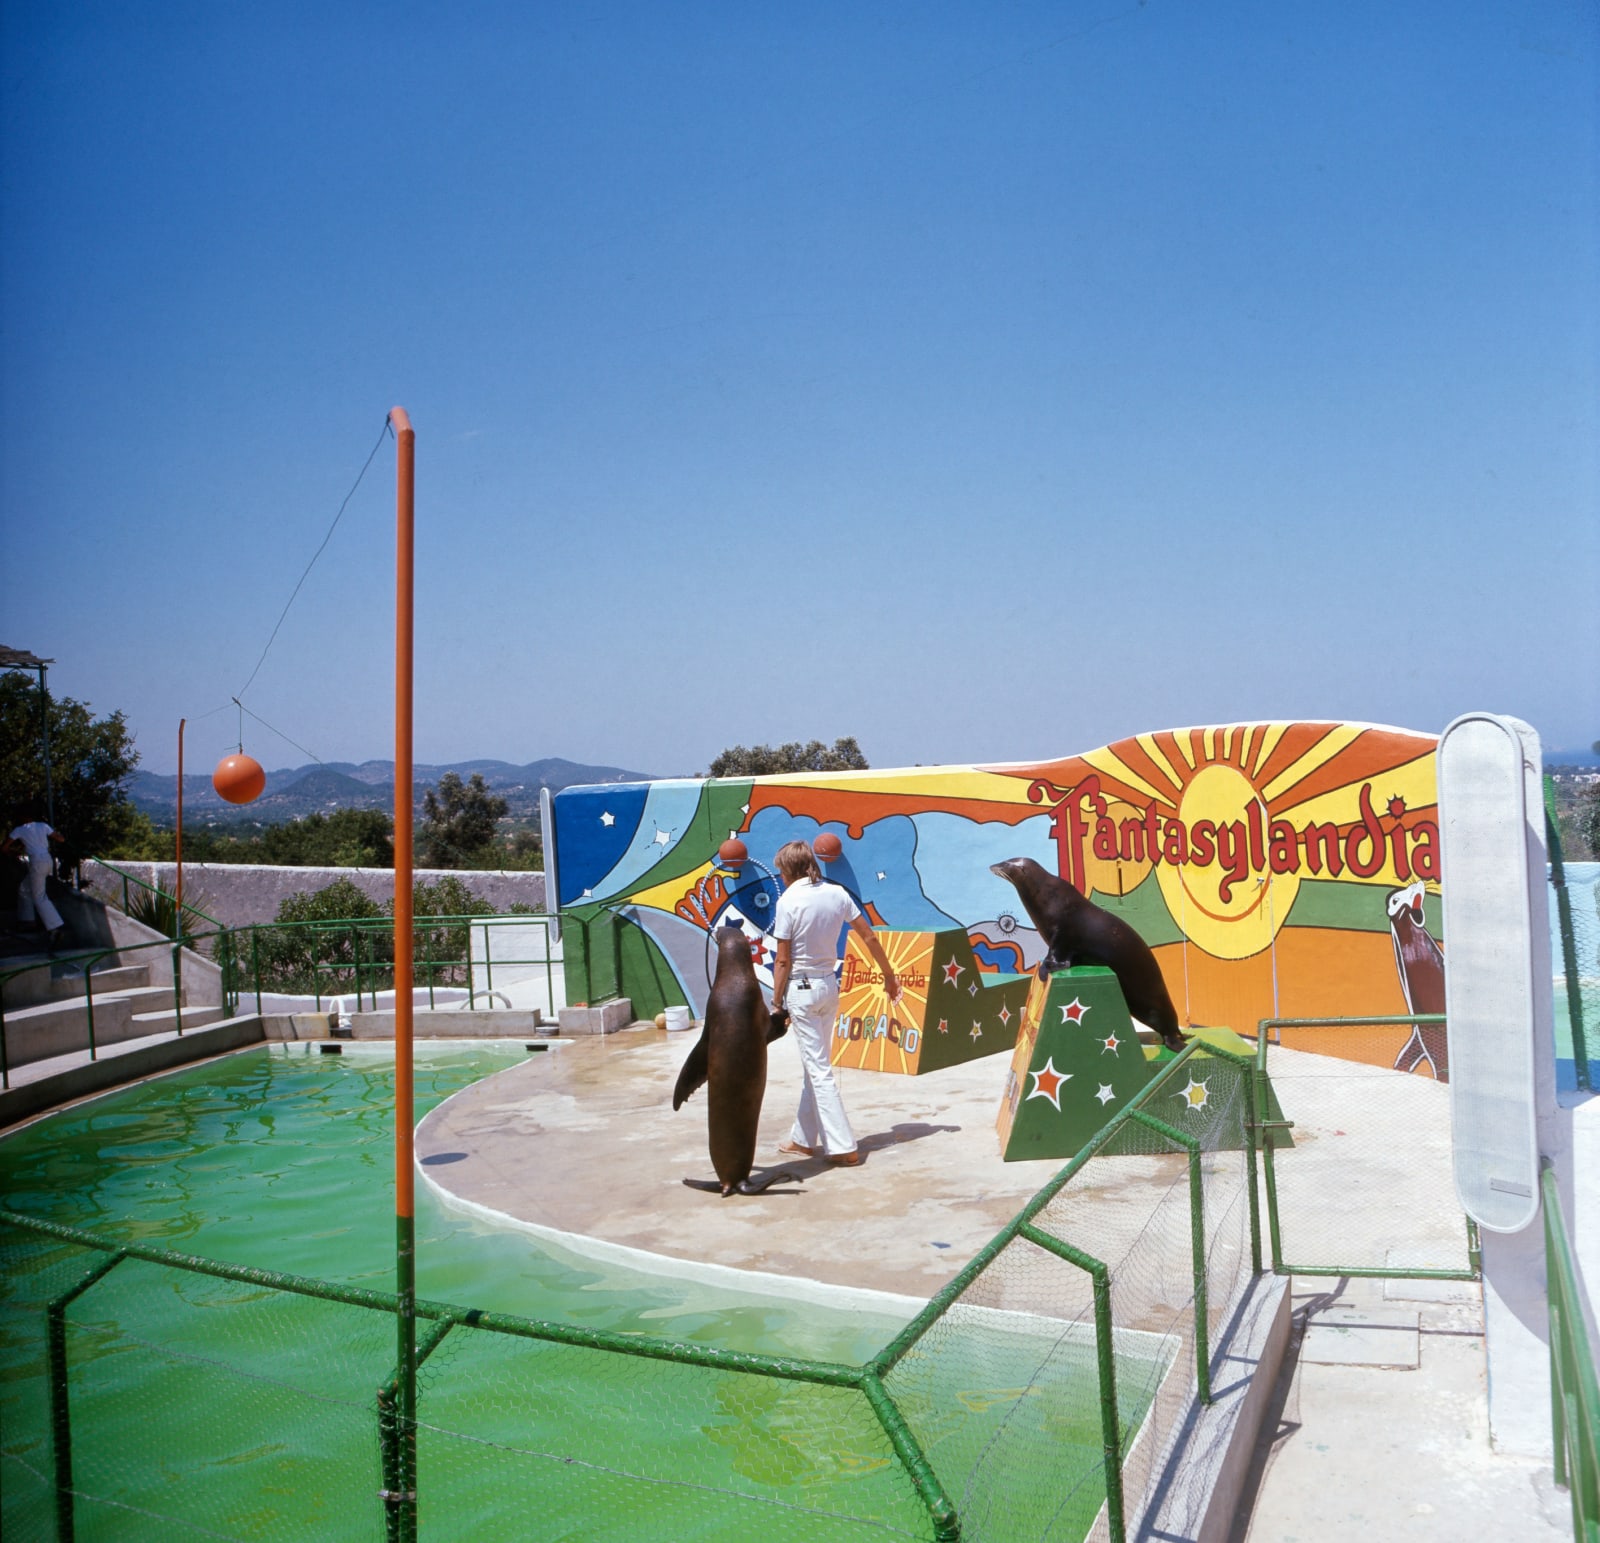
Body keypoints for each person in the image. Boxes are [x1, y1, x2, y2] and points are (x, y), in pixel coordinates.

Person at [768, 839, 899, 1167]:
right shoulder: (837, 893)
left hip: (802, 990)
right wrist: (889, 975)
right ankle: (802, 1140)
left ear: (791, 869)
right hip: (829, 986)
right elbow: (868, 936)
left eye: (782, 871)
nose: (781, 877)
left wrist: (776, 1002)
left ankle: (842, 1147)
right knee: (816, 1065)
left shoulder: (788, 901)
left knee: (819, 1068)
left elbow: (782, 960)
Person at [6, 801, 67, 950]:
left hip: (36, 861)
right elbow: (60, 839)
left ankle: (55, 928)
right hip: (47, 859)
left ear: (22, 817)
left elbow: (4, 847)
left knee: (39, 896)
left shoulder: (19, 830)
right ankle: (28, 920)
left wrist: (13, 852)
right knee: (24, 888)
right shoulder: (43, 826)